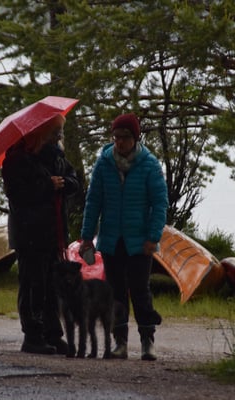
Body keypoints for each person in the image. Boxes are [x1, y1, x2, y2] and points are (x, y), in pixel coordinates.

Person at [79, 112, 168, 361]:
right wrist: (87, 237)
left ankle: (147, 341)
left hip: (140, 241)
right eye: (116, 137)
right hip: (111, 240)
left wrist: (153, 236)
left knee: (140, 291)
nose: (119, 141)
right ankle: (120, 342)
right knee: (115, 293)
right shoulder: (103, 163)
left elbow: (160, 203)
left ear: (135, 138)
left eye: (125, 137)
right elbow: (93, 202)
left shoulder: (150, 164)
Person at [2, 114, 81, 355]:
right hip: (29, 233)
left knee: (51, 287)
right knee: (32, 285)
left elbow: (74, 180)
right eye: (55, 131)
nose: (59, 136)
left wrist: (64, 183)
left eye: (60, 131)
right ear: (41, 133)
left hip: (53, 232)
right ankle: (32, 335)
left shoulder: (57, 157)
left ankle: (52, 335)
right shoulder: (17, 159)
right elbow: (17, 194)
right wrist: (48, 185)